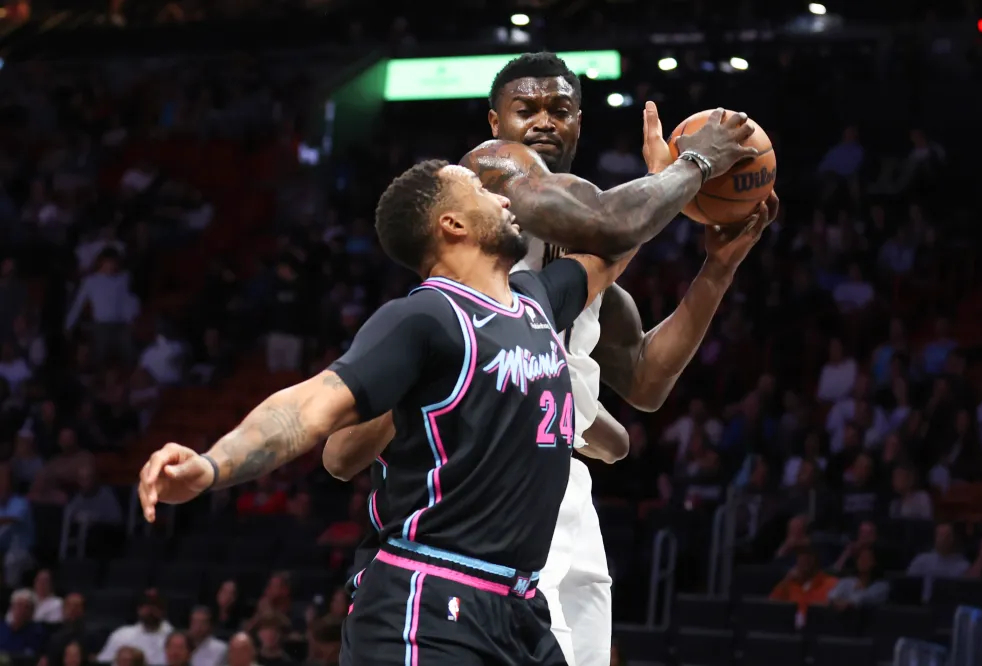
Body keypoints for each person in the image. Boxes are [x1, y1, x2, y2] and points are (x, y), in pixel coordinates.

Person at [324, 52, 778, 666]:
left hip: (560, 486)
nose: (543, 121)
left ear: (579, 124)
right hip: (482, 480)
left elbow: (646, 381)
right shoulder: (491, 170)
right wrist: (690, 168)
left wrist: (716, 271)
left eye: (560, 109)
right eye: (526, 109)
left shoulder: (590, 259)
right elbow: (612, 221)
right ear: (495, 123)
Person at [138, 156, 659, 665]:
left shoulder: (536, 300)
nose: (505, 201)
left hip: (521, 607)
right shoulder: (426, 316)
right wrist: (212, 466)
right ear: (452, 224)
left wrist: (670, 174)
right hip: (430, 597)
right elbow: (308, 406)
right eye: (483, 192)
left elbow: (616, 243)